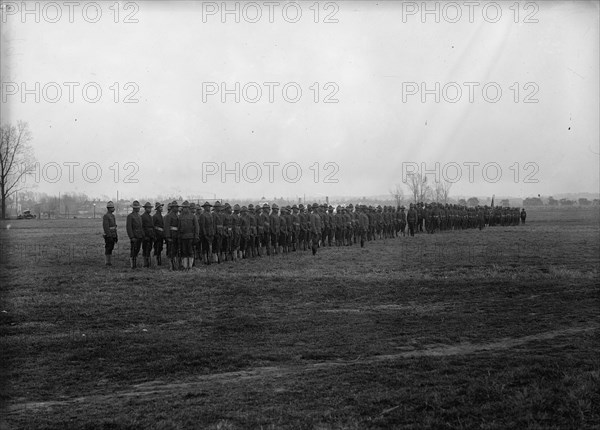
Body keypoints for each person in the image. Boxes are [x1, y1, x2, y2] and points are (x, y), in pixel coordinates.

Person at [178, 200, 199, 270]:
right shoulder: (180, 217)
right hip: (183, 237)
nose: (185, 209)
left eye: (186, 207)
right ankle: (184, 266)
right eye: (184, 207)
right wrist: (179, 236)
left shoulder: (193, 216)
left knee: (190, 251)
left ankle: (190, 266)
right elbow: (179, 227)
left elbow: (196, 227)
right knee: (184, 251)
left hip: (191, 237)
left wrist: (196, 236)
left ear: (189, 208)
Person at [126, 200, 144, 269]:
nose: (139, 209)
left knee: (137, 250)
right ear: (134, 208)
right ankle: (132, 265)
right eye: (137, 207)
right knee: (133, 250)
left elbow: (141, 227)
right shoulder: (130, 216)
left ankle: (135, 263)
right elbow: (129, 227)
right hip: (134, 236)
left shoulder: (139, 216)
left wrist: (142, 235)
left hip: (139, 236)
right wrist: (131, 236)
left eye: (139, 207)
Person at [163, 201, 180, 270]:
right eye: (176, 207)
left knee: (175, 251)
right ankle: (171, 266)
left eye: (177, 207)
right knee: (171, 252)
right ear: (172, 208)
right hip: (171, 236)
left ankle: (175, 265)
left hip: (176, 236)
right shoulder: (168, 216)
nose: (177, 208)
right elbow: (166, 227)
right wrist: (168, 237)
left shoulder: (177, 215)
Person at [102, 201, 118, 266]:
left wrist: (116, 235)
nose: (113, 209)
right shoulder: (106, 216)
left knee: (111, 248)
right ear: (109, 208)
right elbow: (106, 227)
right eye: (112, 207)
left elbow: (114, 227)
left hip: (113, 234)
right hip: (109, 235)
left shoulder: (113, 216)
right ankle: (107, 262)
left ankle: (109, 261)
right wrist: (109, 235)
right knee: (108, 248)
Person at [141, 202, 155, 267]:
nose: (150, 209)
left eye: (150, 208)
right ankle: (145, 263)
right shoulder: (142, 217)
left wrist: (153, 235)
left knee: (149, 249)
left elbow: (152, 227)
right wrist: (144, 236)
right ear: (145, 209)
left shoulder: (150, 217)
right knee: (145, 249)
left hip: (150, 235)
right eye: (148, 208)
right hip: (146, 235)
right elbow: (142, 227)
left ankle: (148, 263)